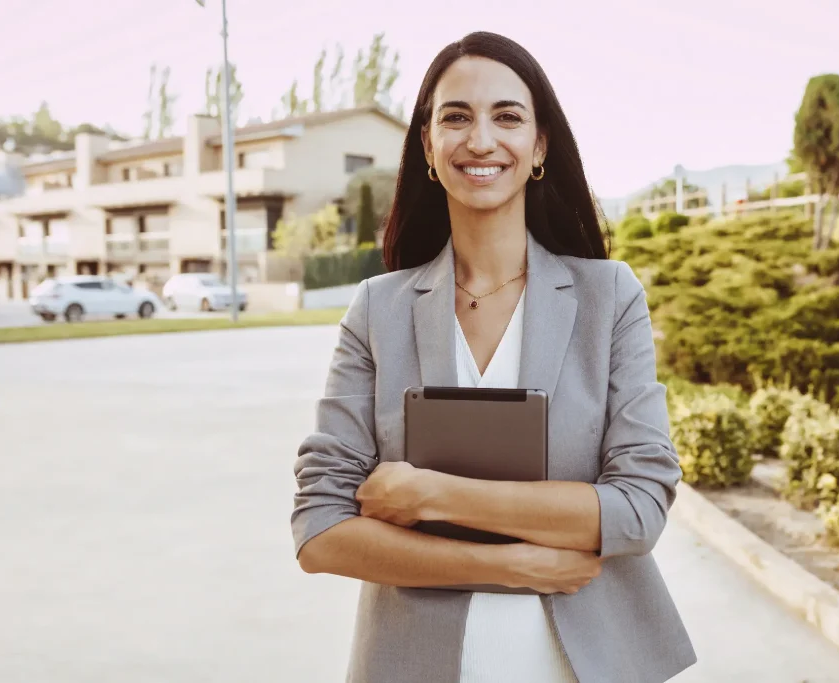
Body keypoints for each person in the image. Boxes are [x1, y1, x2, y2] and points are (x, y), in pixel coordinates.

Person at [291, 31, 697, 683]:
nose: (480, 139)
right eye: (456, 116)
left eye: (507, 116)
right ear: (428, 145)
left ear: (538, 147)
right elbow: (319, 530)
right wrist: (509, 565)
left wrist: (431, 493)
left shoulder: (608, 296)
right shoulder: (377, 310)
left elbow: (639, 507)